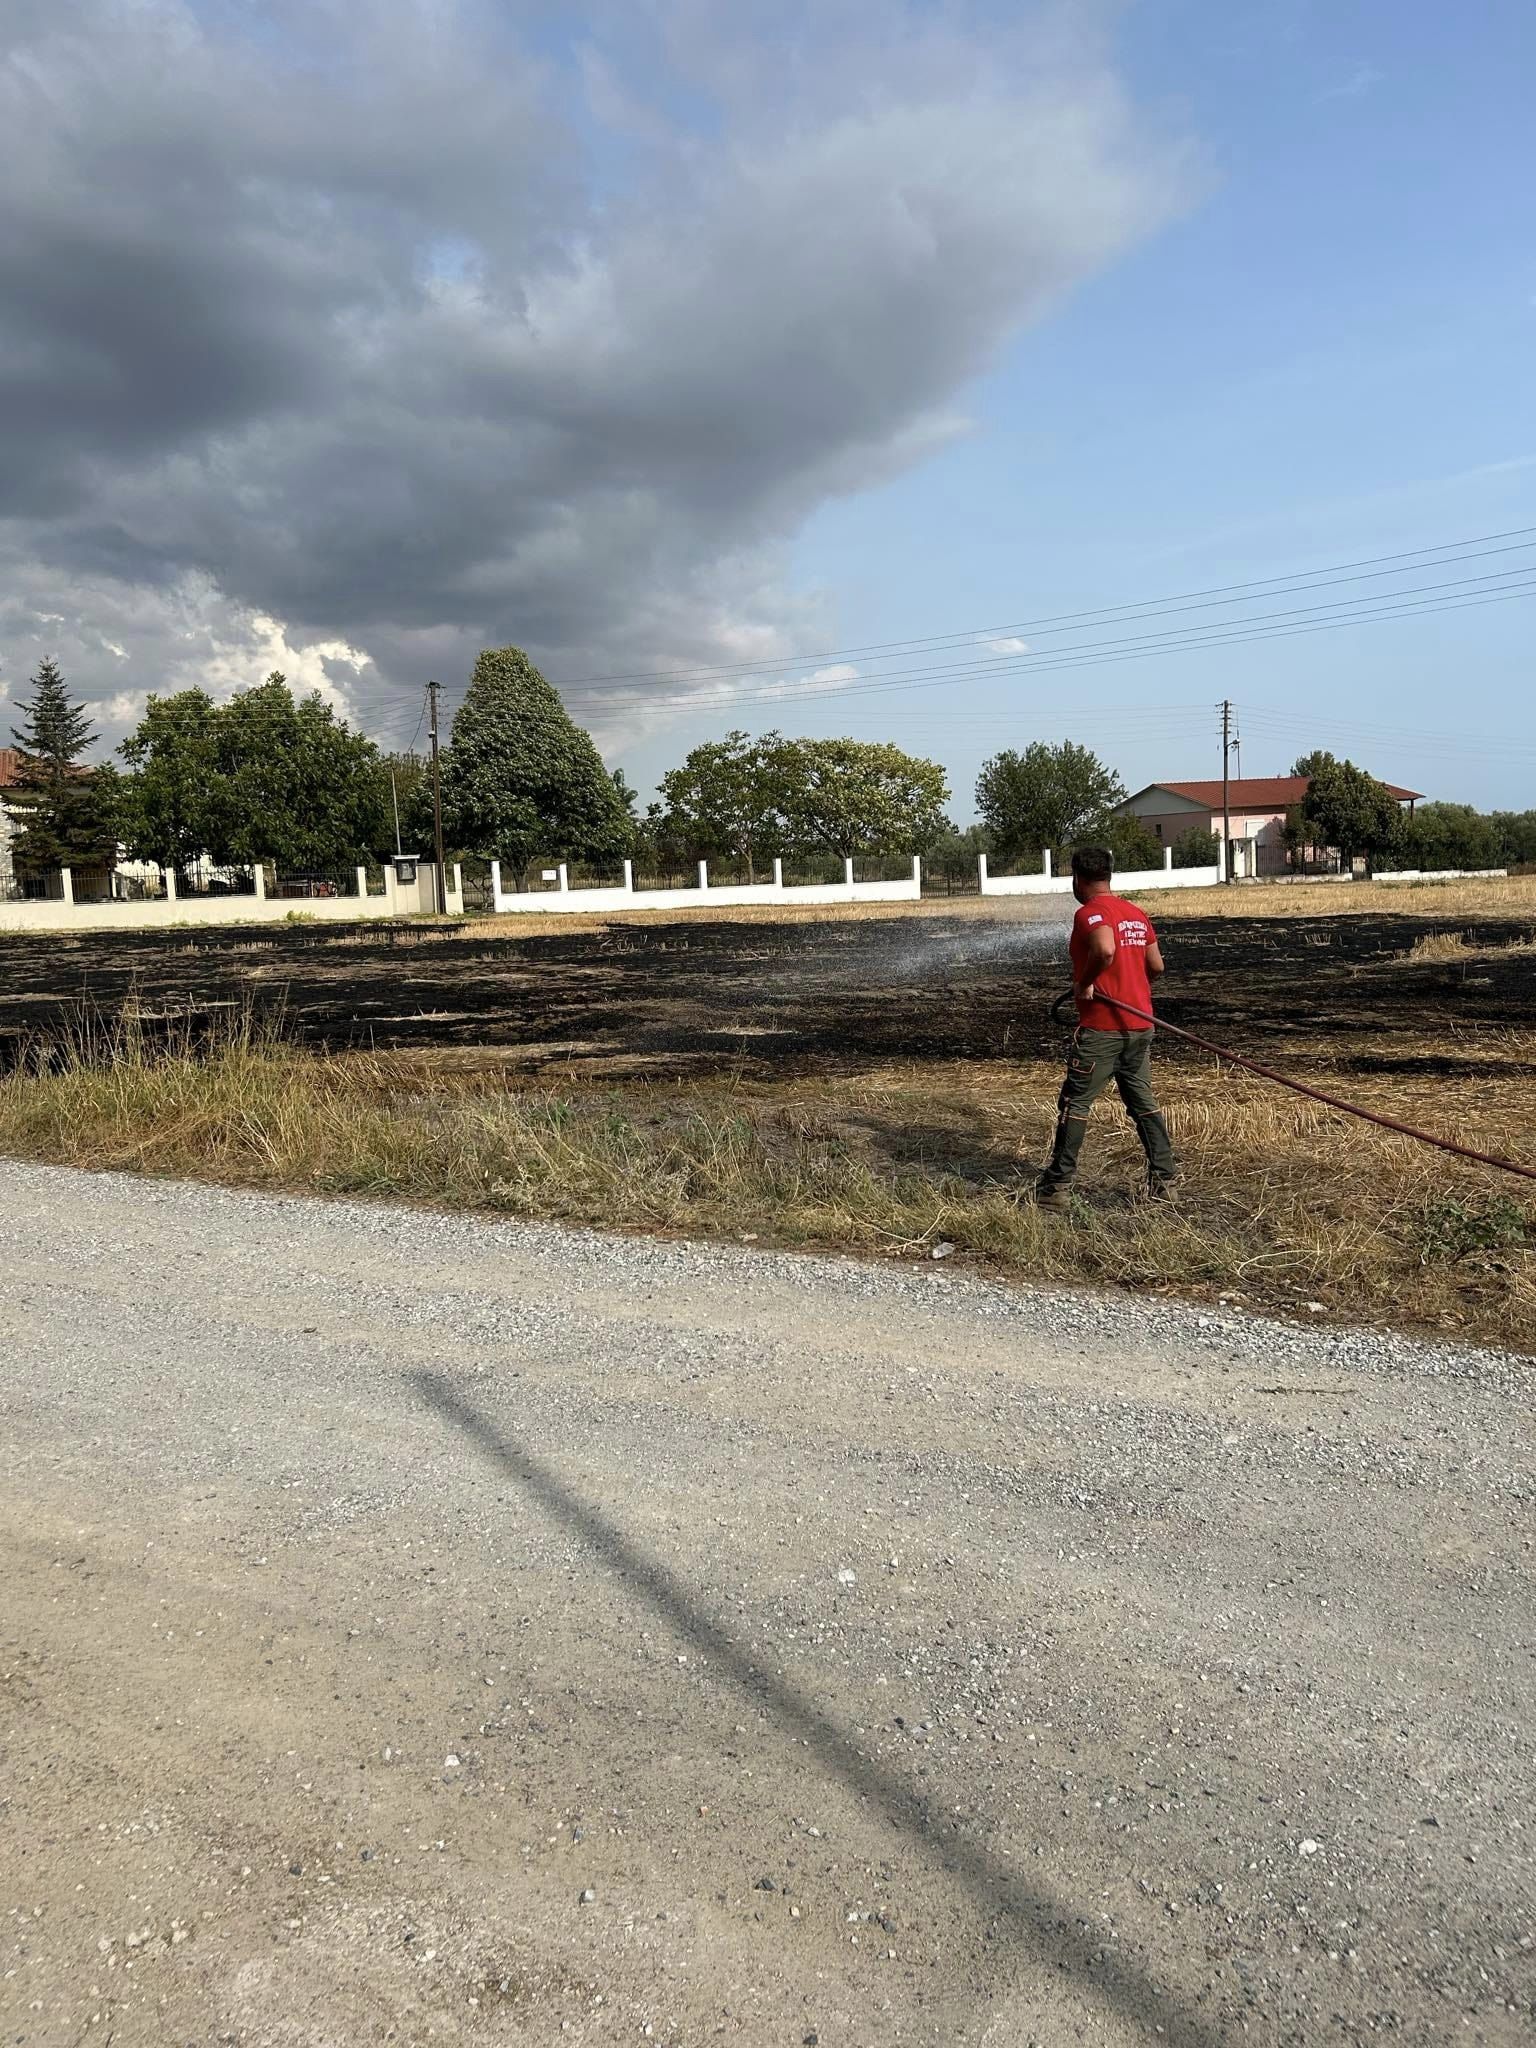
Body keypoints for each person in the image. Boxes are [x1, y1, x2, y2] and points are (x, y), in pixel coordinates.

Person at [1035, 846, 1178, 1211]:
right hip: (1141, 1026)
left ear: (1077, 878)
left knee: (1075, 1104)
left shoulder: (1089, 914)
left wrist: (1085, 982)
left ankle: (1057, 1188)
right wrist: (1133, 986)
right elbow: (1157, 967)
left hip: (1102, 1029)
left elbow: (1104, 950)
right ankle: (1165, 1182)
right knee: (1142, 1103)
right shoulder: (1135, 914)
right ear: (1110, 874)